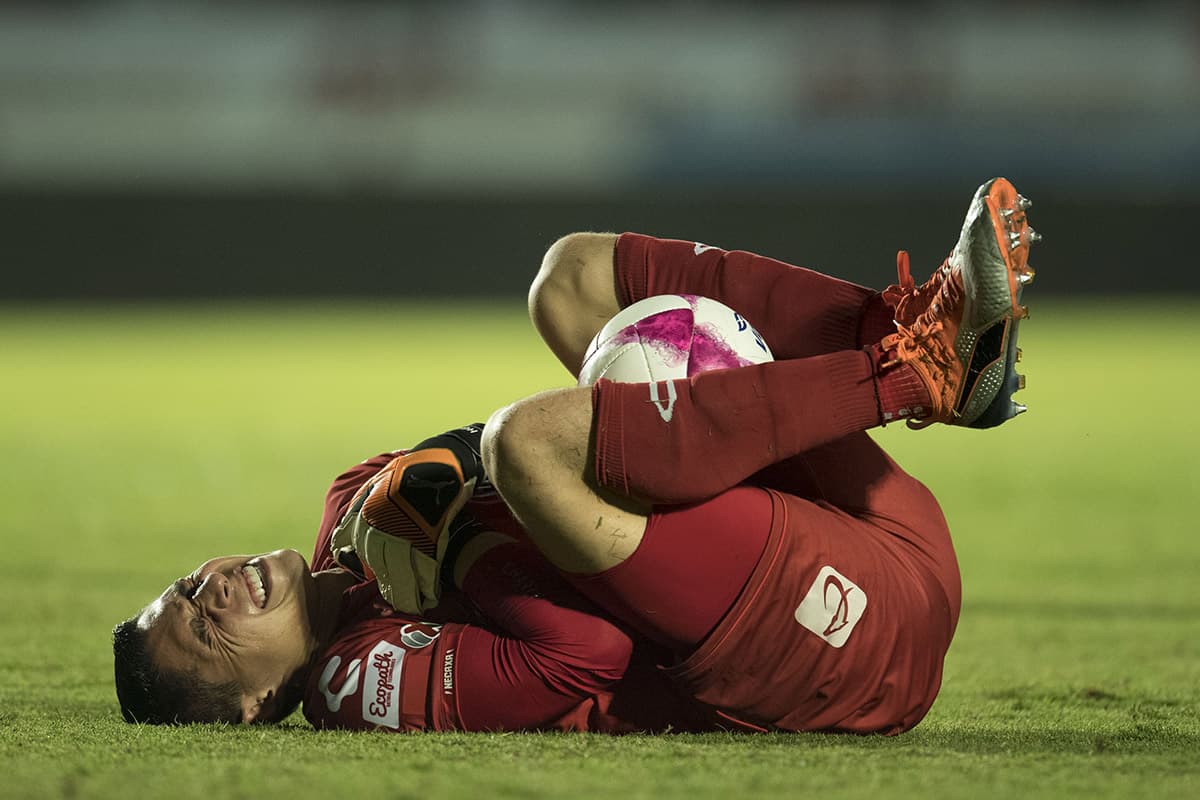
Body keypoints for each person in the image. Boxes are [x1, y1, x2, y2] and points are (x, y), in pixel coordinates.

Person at [114, 176, 1036, 734]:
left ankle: (907, 331)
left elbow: (488, 461)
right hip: (838, 651)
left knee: (566, 282)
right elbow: (584, 653)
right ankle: (911, 376)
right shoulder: (354, 681)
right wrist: (461, 539)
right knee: (531, 444)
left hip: (868, 532)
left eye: (189, 587)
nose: (215, 590)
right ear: (254, 704)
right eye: (205, 629)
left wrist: (449, 483)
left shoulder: (345, 505)